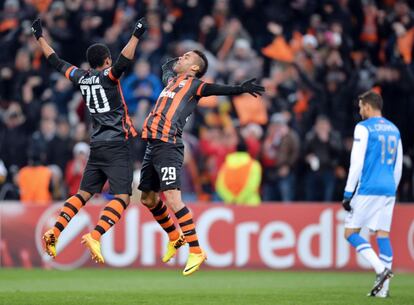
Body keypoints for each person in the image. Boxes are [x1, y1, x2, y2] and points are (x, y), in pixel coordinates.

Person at [31, 17, 148, 263]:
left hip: (96, 145)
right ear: (106, 61)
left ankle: (55, 230)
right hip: (117, 143)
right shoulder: (109, 76)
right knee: (122, 198)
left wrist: (39, 37)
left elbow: (55, 61)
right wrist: (136, 35)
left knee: (83, 193)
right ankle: (95, 235)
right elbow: (123, 61)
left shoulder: (81, 78)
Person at [139, 51, 264, 275]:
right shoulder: (171, 81)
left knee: (173, 199)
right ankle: (175, 236)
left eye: (187, 57)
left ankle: (196, 250)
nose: (181, 58)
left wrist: (240, 88)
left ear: (195, 68)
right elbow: (166, 64)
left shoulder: (195, 85)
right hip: (153, 146)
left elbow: (216, 89)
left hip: (169, 145)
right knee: (148, 199)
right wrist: (174, 60)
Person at [342, 91, 402, 297]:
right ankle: (383, 292)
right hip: (389, 189)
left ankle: (380, 269)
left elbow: (357, 163)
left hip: (369, 188)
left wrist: (348, 192)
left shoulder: (363, 128)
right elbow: (398, 165)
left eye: (360, 107)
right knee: (383, 235)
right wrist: (392, 188)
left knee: (350, 233)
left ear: (368, 106)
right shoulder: (394, 129)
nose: (359, 111)